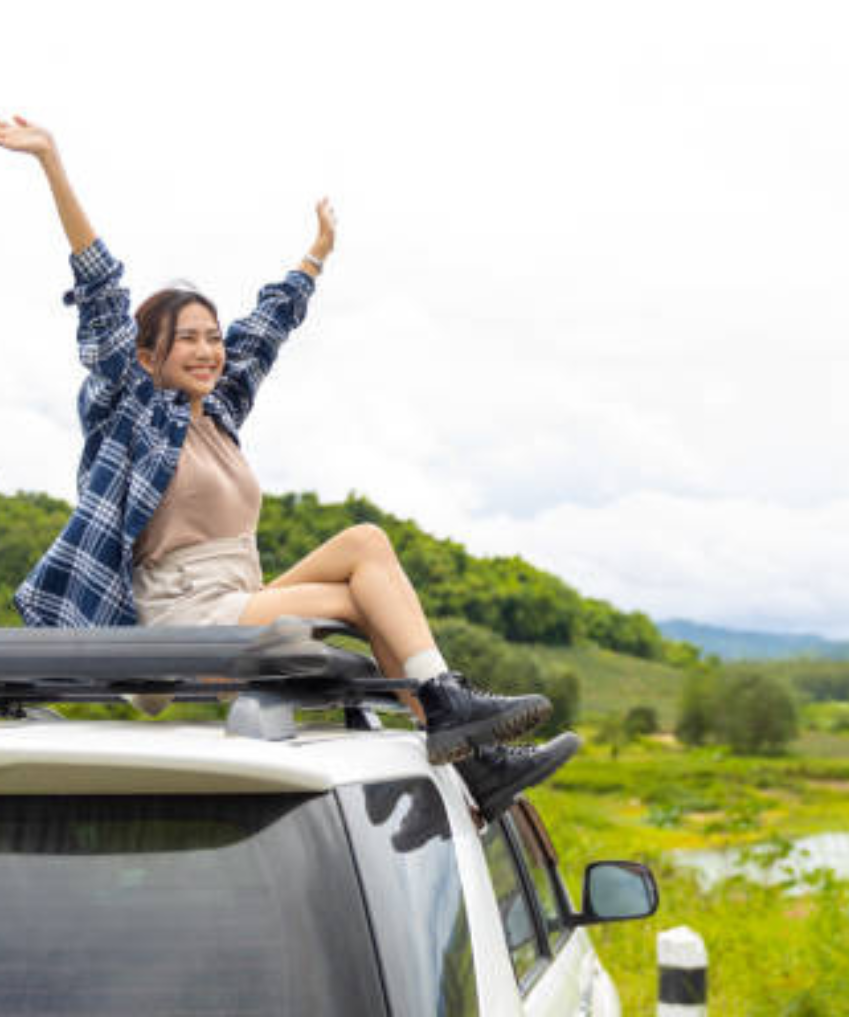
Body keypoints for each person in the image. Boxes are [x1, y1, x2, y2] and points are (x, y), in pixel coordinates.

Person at [0, 116, 579, 818]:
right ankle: (453, 715)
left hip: (233, 597)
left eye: (213, 338)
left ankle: (463, 740)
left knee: (364, 549)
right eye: (189, 340)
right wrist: (51, 163)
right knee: (360, 575)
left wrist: (316, 255)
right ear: (149, 355)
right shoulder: (132, 407)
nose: (210, 350)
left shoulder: (215, 415)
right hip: (179, 613)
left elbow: (267, 329)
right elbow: (102, 294)